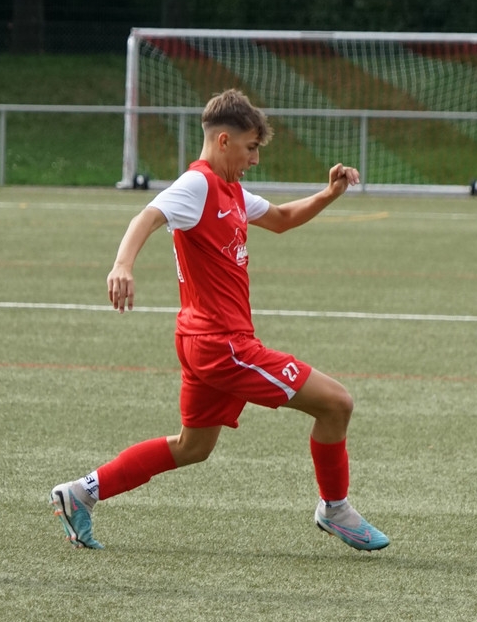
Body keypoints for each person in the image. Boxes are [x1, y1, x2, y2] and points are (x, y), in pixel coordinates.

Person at [50, 89, 389, 552]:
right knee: (336, 404)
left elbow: (282, 218)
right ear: (224, 140)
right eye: (251, 148)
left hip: (202, 340)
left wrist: (329, 193)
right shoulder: (197, 185)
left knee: (193, 446)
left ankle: (81, 493)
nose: (254, 159)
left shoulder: (231, 190)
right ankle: (335, 509)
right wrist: (122, 265)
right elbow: (146, 217)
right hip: (223, 345)